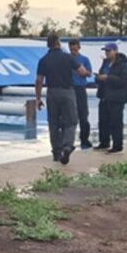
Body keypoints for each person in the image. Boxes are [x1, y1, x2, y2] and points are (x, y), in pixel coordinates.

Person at [35, 34, 91, 165]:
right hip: (67, 92)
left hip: (52, 92)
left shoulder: (43, 60)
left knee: (53, 123)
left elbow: (39, 80)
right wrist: (87, 72)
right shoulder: (68, 57)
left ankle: (56, 152)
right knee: (71, 121)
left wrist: (38, 98)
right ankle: (67, 146)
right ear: (58, 43)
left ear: (48, 44)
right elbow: (82, 72)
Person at [94, 42, 127, 154]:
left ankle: (117, 145)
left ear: (115, 51)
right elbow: (101, 76)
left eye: (109, 51)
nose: (107, 53)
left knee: (115, 122)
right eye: (105, 51)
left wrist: (108, 78)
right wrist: (98, 78)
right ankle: (104, 142)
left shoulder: (123, 66)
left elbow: (125, 82)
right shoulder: (105, 64)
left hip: (116, 99)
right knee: (103, 121)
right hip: (104, 97)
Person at [68, 39, 93, 149]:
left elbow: (89, 73)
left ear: (79, 47)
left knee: (83, 115)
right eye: (71, 49)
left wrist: (83, 72)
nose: (73, 51)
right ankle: (69, 141)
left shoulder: (84, 59)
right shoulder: (67, 59)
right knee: (69, 116)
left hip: (81, 89)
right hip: (70, 89)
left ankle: (84, 139)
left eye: (75, 49)